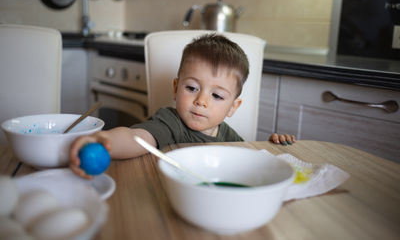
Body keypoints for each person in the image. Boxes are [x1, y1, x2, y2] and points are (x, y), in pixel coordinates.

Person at [69, 33, 295, 178]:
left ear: (233, 107)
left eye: (216, 95)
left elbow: (251, 164)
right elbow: (135, 138)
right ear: (176, 88)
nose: (201, 101)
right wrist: (104, 140)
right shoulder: (170, 123)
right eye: (192, 88)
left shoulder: (231, 139)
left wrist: (275, 146)